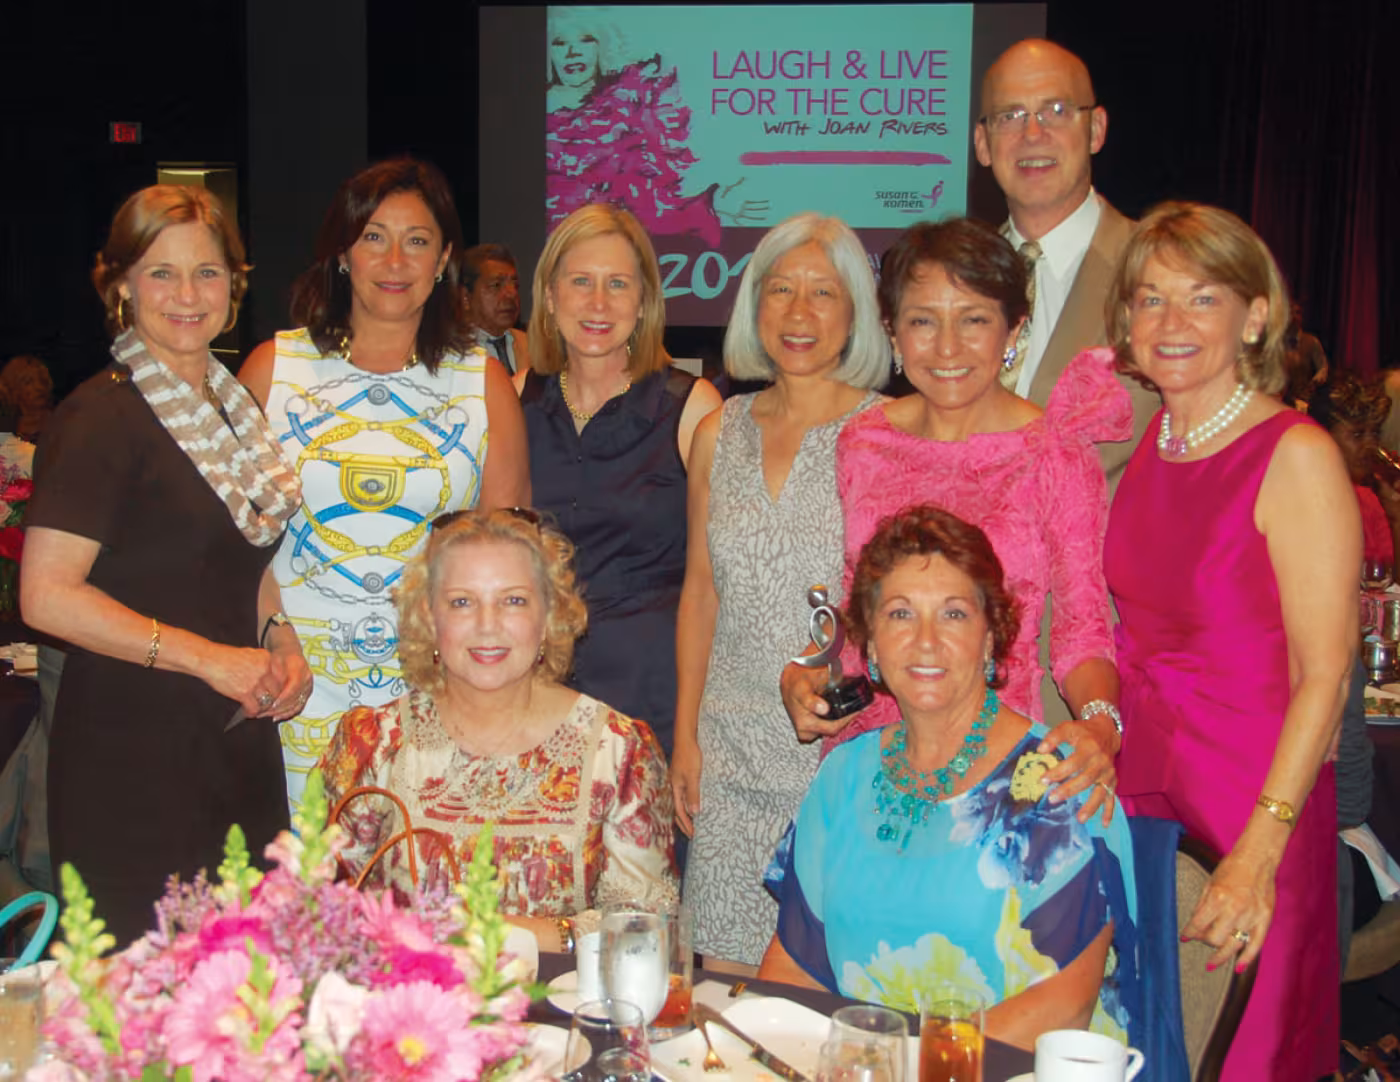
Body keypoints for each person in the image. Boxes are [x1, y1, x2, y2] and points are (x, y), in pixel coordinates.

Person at [1103, 202, 1356, 1080]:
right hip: (1149, 798)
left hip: (1252, 806)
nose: (1169, 324)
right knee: (1152, 1045)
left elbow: (1326, 676)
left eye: (1200, 299)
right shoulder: (1156, 439)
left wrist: (1259, 852)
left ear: (1254, 314)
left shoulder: (1296, 454)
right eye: (1148, 299)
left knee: (1241, 1055)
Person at [21, 185, 308, 943]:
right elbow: (44, 597)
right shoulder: (98, 419)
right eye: (160, 273)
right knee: (151, 1017)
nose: (188, 295)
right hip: (133, 759)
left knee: (248, 993)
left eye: (208, 273)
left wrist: (280, 639)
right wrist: (212, 659)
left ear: (235, 285)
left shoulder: (228, 408)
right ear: (119, 286)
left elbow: (234, 560)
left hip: (232, 737)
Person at [783, 218, 1126, 825]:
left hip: (995, 764)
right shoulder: (864, 442)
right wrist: (811, 669)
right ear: (891, 331)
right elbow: (856, 610)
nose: (946, 348)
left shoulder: (1055, 454)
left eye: (973, 319)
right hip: (872, 758)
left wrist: (1101, 725)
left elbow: (1082, 629)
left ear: (1013, 331)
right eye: (922, 321)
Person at [760, 507, 1138, 1050]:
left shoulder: (1057, 781)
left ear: (990, 638)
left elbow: (1063, 1008)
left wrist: (905, 1067)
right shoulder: (843, 776)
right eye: (900, 614)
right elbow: (792, 973)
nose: (926, 641)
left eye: (954, 614)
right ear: (868, 645)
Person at [240, 158, 529, 812]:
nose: (394, 259)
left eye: (418, 240)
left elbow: (512, 573)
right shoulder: (273, 370)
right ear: (344, 253)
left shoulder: (481, 384)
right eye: (374, 236)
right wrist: (271, 637)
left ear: (444, 259)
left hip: (433, 698)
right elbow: (230, 550)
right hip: (291, 689)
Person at [673, 213, 886, 970]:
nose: (799, 314)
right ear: (753, 306)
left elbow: (888, 603)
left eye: (823, 293)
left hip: (838, 761)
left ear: (855, 311)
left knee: (824, 995)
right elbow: (701, 593)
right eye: (781, 291)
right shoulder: (717, 431)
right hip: (727, 757)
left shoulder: (886, 432)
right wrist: (685, 736)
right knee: (722, 998)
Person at [321, 508, 678, 945]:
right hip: (411, 1005)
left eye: (513, 600)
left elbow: (648, 933)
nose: (487, 626)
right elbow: (324, 917)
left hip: (570, 1009)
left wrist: (526, 938)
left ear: (549, 617)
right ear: (430, 620)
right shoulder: (373, 744)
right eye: (462, 602)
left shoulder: (619, 753)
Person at [972, 38, 1159, 725]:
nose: (1034, 133)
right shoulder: (954, 282)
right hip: (956, 669)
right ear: (983, 143)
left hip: (1102, 672)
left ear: (1097, 128)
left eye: (1055, 109)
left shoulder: (1160, 277)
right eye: (1010, 116)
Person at [517, 204, 721, 764]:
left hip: (652, 703)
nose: (599, 303)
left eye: (618, 284)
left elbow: (713, 586)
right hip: (535, 700)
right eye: (580, 281)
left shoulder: (692, 409)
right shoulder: (515, 398)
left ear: (644, 301)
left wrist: (693, 736)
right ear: (551, 295)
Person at [1307, 371, 1399, 564]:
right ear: (1322, 436)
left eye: (1374, 433)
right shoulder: (1295, 499)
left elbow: (1388, 581)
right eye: (1357, 435)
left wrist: (1396, 520)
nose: (1370, 445)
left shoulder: (1369, 501)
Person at [461, 243, 529, 375]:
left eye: (515, 285)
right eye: (497, 285)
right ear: (466, 298)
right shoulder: (452, 353)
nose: (512, 293)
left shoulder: (532, 346)